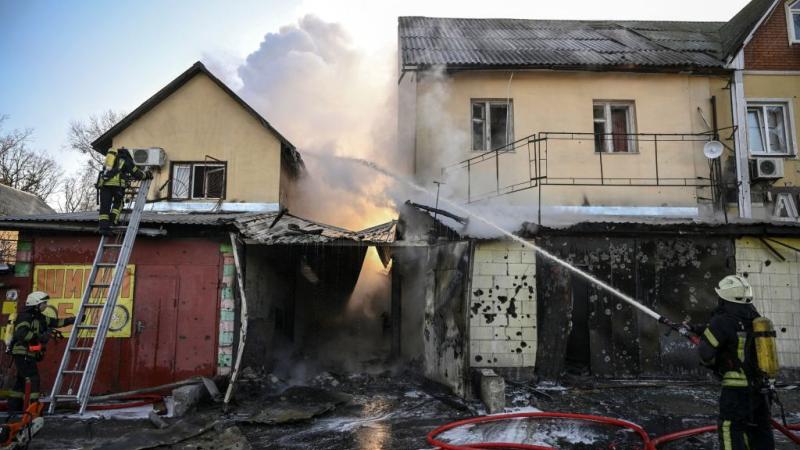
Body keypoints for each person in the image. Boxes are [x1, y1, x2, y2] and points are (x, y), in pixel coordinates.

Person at [698, 275, 774, 450]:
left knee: (730, 428)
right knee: (759, 429)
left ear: (724, 297)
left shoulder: (722, 320)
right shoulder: (756, 318)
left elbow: (705, 353)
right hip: (761, 389)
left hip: (737, 390)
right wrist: (697, 329)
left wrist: (715, 364)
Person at [97, 147, 149, 235]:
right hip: (117, 187)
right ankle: (113, 221)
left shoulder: (110, 160)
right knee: (119, 202)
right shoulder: (125, 160)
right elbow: (136, 173)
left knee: (104, 207)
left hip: (104, 185)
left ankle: (103, 228)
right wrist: (146, 175)